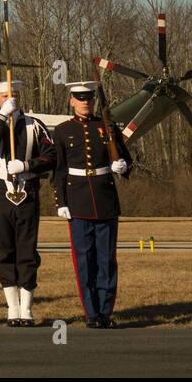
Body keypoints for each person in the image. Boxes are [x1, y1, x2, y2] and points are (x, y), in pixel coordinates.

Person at [54, 81, 133, 328]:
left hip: (105, 199)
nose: (85, 102)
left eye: (88, 98)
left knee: (106, 260)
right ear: (72, 102)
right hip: (77, 201)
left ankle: (105, 312)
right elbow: (59, 170)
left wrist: (122, 166)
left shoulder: (106, 127)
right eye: (80, 98)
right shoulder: (63, 130)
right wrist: (61, 202)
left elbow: (126, 159)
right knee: (84, 260)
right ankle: (91, 312)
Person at [0, 79, 57, 326]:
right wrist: (3, 116)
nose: (8, 100)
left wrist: (27, 165)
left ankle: (27, 309)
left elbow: (52, 156)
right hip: (0, 195)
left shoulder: (35, 125)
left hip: (27, 193)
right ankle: (12, 308)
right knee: (5, 251)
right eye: (3, 97)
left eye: (11, 96)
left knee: (27, 251)